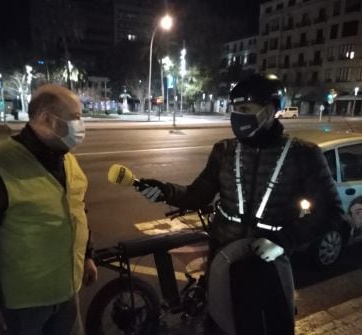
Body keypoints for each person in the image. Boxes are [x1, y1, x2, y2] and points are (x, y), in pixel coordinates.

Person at [138, 74, 344, 335]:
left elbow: (331, 211)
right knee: (220, 326)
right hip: (223, 263)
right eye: (234, 109)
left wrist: (284, 241)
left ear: (271, 110)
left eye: (245, 109)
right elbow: (197, 195)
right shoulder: (223, 150)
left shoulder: (304, 155)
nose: (237, 116)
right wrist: (165, 190)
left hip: (268, 271)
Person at [0, 84, 97, 335]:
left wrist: (88, 255)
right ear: (48, 119)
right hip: (21, 309)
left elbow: (76, 210)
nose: (81, 126)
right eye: (76, 118)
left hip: (67, 296)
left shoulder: (67, 159)